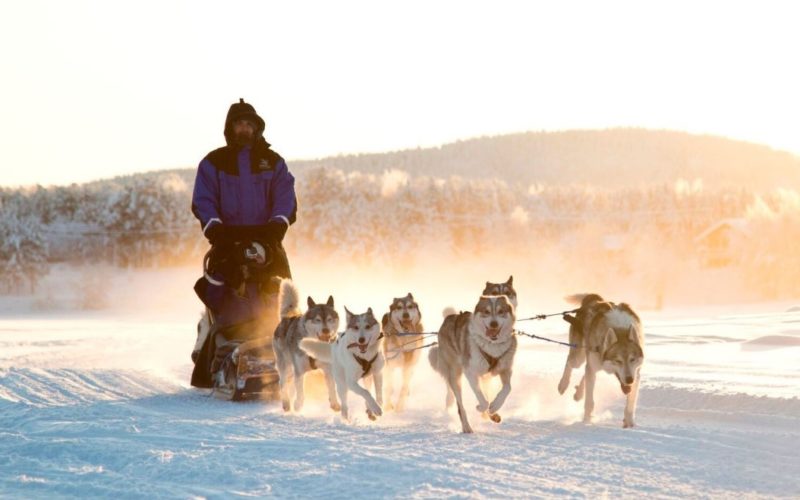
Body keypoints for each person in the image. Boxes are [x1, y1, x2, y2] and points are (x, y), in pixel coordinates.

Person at [190, 98, 297, 388]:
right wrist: (217, 231)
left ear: (257, 128)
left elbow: (285, 197)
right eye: (239, 124)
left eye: (249, 124)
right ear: (230, 128)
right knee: (226, 296)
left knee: (281, 295)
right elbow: (203, 200)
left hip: (268, 240)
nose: (244, 129)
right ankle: (224, 350)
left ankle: (288, 349)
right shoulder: (213, 163)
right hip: (227, 242)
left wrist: (277, 226)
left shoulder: (273, 163)